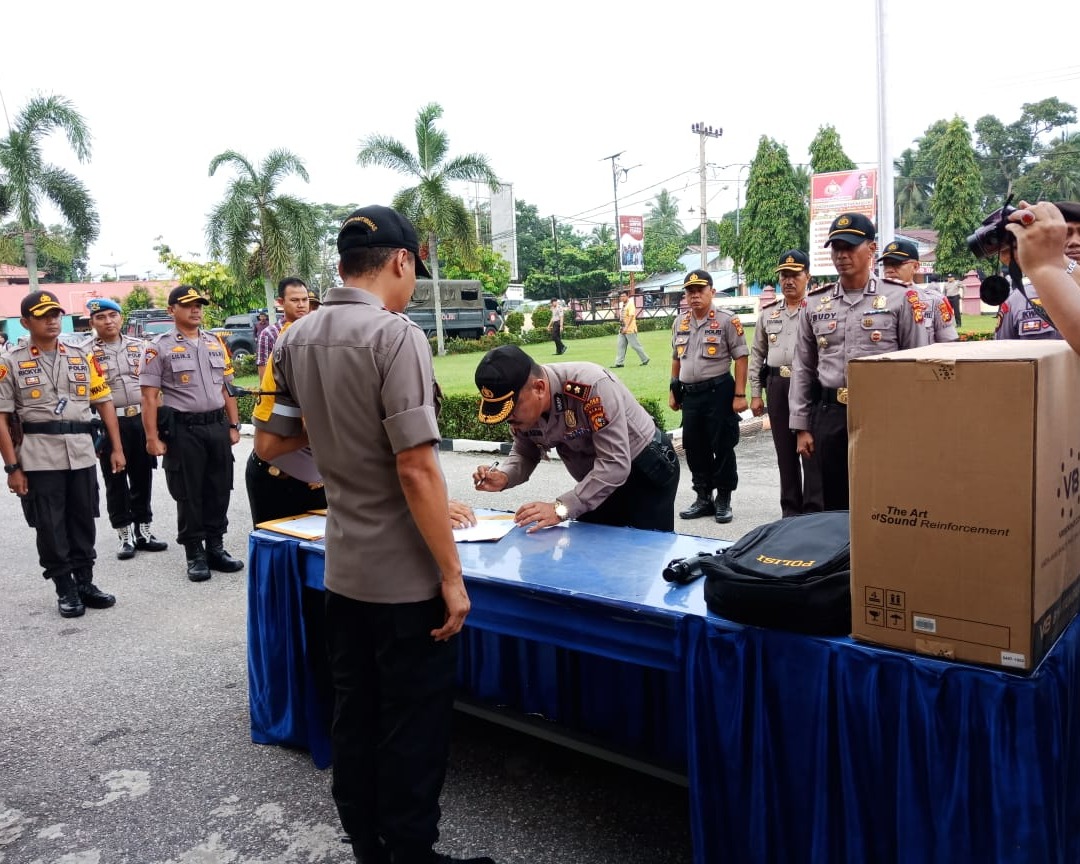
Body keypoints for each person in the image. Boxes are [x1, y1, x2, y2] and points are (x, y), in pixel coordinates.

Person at [252, 205, 491, 864]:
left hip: (344, 569)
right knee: (412, 724)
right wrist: (450, 576)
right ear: (402, 260)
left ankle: (368, 846)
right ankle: (411, 854)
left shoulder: (296, 338)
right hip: (405, 580)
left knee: (355, 715)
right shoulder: (396, 337)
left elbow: (272, 444)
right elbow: (416, 466)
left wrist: (338, 475)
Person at [790, 213, 927, 511]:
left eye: (850, 246)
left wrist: (913, 424)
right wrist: (802, 426)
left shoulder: (900, 299)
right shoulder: (815, 303)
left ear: (872, 249)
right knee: (831, 503)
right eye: (836, 247)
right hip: (829, 414)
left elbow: (917, 364)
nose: (841, 255)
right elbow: (802, 368)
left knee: (882, 498)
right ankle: (841, 559)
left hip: (882, 415)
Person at [0, 291, 124, 617]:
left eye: (55, 314)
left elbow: (104, 401)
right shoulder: (10, 362)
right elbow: (2, 417)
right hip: (39, 455)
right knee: (50, 525)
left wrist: (116, 448)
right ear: (25, 322)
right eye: (43, 315)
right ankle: (64, 587)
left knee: (83, 519)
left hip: (82, 451)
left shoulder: (80, 356)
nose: (52, 320)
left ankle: (85, 581)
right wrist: (12, 466)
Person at [472, 344, 679, 532]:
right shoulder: (525, 411)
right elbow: (525, 450)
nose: (508, 417)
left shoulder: (591, 386)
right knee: (596, 556)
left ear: (539, 388)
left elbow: (614, 463)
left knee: (646, 556)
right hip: (595, 482)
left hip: (644, 471)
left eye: (512, 408)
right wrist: (505, 476)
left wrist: (560, 509)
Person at [139, 285, 244, 582]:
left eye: (199, 305)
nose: (196, 310)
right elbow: (149, 397)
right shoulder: (157, 347)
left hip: (216, 426)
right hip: (183, 429)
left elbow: (227, 388)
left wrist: (233, 425)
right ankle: (194, 553)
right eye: (188, 305)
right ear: (172, 310)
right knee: (188, 492)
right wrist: (151, 437)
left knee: (219, 488)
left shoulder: (214, 342)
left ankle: (215, 547)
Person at [84, 298, 169, 559]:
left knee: (143, 475)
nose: (108, 321)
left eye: (113, 315)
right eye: (101, 317)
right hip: (111, 423)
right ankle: (124, 535)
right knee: (115, 478)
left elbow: (157, 387)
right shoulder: (84, 352)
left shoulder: (141, 347)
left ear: (121, 318)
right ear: (92, 322)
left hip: (141, 420)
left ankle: (143, 530)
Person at [669, 269, 748, 524]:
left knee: (723, 446)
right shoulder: (679, 322)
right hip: (690, 396)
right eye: (689, 292)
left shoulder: (727, 320)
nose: (694, 296)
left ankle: (723, 498)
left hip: (719, 392)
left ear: (711, 292)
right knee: (694, 447)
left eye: (699, 291)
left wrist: (740, 394)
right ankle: (703, 497)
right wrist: (673, 389)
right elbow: (675, 358)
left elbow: (741, 357)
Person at [748, 250, 822, 517]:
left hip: (810, 387)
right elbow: (757, 354)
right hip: (778, 385)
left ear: (807, 276)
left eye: (795, 275)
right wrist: (756, 394)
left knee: (810, 450)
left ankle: (814, 512)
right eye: (784, 276)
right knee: (785, 453)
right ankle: (790, 512)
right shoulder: (768, 314)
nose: (789, 281)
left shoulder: (818, 310)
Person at [877, 239, 958, 344]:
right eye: (886, 264)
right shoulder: (872, 302)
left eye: (896, 264)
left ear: (915, 267)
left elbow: (948, 345)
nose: (889, 269)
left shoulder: (935, 302)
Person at [257, 277, 310, 382]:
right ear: (281, 302)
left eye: (305, 299)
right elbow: (265, 380)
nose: (301, 305)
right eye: (294, 300)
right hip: (285, 396)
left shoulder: (316, 330)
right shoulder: (270, 334)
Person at [613, 291, 649, 367]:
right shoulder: (623, 305)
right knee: (620, 345)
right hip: (622, 328)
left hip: (630, 329)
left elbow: (631, 316)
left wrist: (626, 327)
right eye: (621, 296)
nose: (622, 298)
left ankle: (645, 358)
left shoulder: (630, 304)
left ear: (627, 296)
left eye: (623, 296)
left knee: (635, 345)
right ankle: (619, 363)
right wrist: (622, 327)